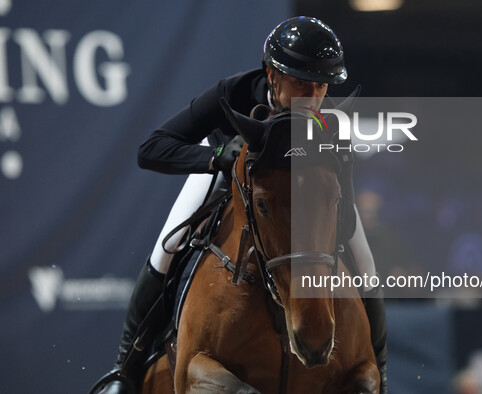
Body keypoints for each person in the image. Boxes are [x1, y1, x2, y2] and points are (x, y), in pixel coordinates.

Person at [96, 16, 388, 394]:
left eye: (319, 86)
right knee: (167, 247)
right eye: (300, 83)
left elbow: (343, 205)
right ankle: (124, 370)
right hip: (223, 172)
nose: (311, 98)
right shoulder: (230, 94)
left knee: (364, 263)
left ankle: (382, 372)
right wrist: (216, 155)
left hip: (302, 195)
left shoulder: (329, 121)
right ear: (272, 75)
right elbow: (150, 149)